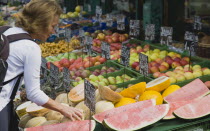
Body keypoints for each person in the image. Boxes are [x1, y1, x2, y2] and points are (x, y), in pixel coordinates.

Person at [0, 0, 82, 131]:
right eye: (52, 26)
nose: (53, 31)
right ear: (40, 24)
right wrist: (63, 108)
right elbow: (33, 94)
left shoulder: (7, 30)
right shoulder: (31, 48)